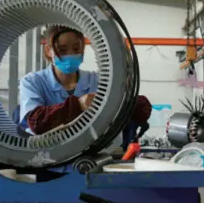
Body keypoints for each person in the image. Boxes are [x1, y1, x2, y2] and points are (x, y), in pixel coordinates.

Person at [19, 25, 152, 139]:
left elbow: (141, 110)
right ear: (49, 51)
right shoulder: (33, 82)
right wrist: (78, 105)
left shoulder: (99, 80)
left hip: (92, 155)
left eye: (76, 48)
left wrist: (121, 96)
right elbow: (36, 122)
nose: (70, 54)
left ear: (83, 48)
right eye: (62, 50)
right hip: (48, 158)